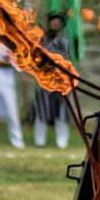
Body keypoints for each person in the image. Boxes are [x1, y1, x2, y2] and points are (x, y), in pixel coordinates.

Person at [29, 13, 71, 149]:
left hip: (60, 83)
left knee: (62, 112)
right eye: (53, 22)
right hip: (43, 82)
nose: (55, 25)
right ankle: (39, 141)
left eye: (58, 23)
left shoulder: (64, 42)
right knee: (41, 111)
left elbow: (66, 61)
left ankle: (62, 142)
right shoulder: (41, 40)